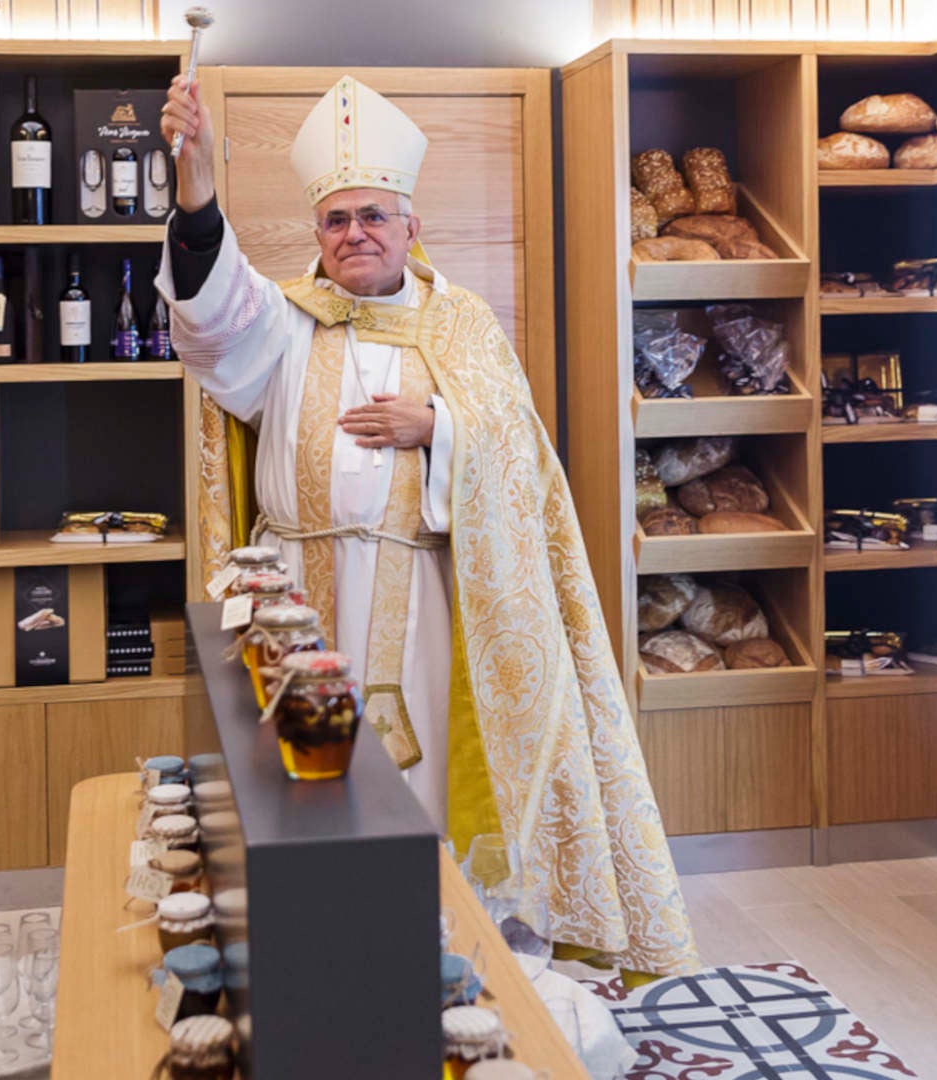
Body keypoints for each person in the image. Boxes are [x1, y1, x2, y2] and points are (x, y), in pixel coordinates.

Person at [159, 75, 700, 979]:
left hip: (429, 609)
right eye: (336, 220)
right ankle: (315, 968)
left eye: (373, 215)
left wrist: (439, 427)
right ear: (316, 235)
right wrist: (198, 189)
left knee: (430, 786)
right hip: (297, 609)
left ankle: (443, 966)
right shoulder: (281, 323)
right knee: (303, 791)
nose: (355, 233)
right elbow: (208, 316)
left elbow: (523, 459)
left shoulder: (464, 325)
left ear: (412, 226)